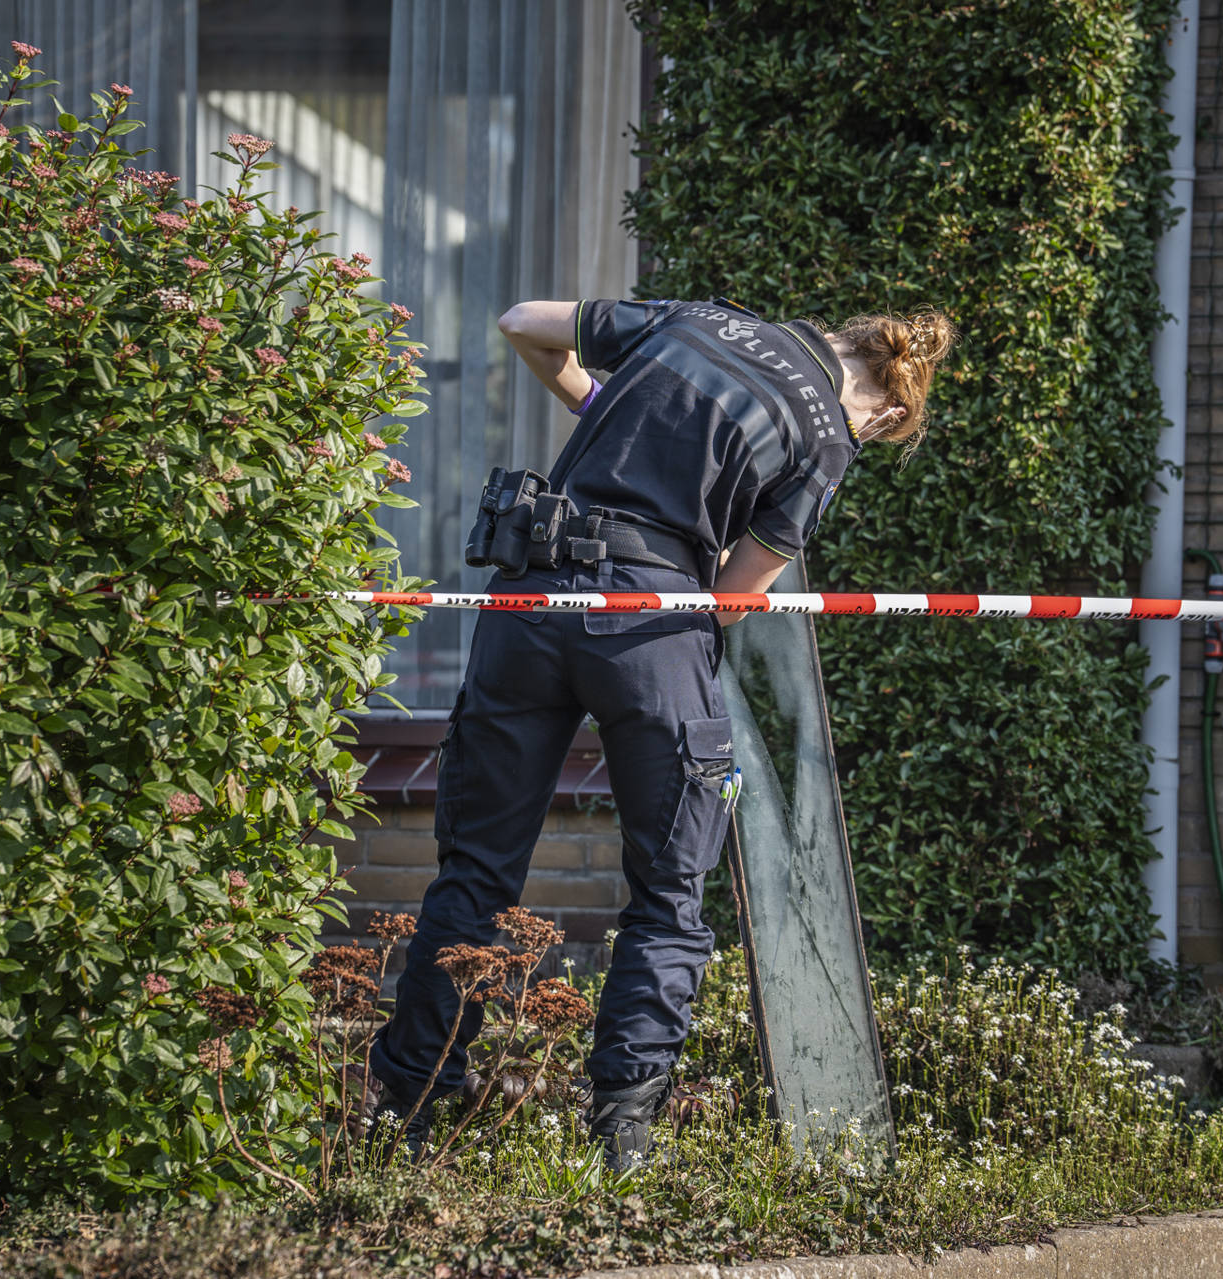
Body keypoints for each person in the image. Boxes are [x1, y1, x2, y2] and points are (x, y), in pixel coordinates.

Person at [368, 296, 956, 1170]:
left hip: (528, 595)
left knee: (476, 873)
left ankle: (407, 1119)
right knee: (668, 892)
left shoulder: (698, 321)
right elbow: (737, 587)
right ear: (890, 407)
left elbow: (521, 322)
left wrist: (598, 403)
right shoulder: (827, 432)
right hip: (648, 623)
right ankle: (620, 1140)